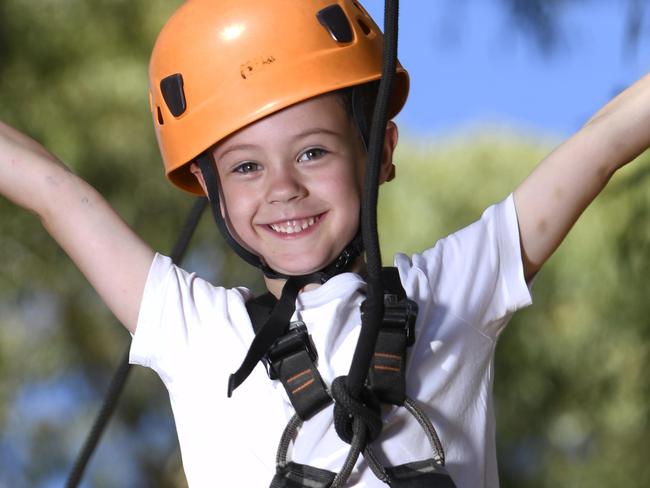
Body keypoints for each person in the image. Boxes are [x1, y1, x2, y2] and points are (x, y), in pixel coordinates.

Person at [1, 0, 650, 486]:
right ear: (207, 187)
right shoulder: (197, 331)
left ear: (380, 152)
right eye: (246, 167)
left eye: (313, 152)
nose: (282, 188)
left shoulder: (453, 293)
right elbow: (53, 189)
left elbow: (602, 143)